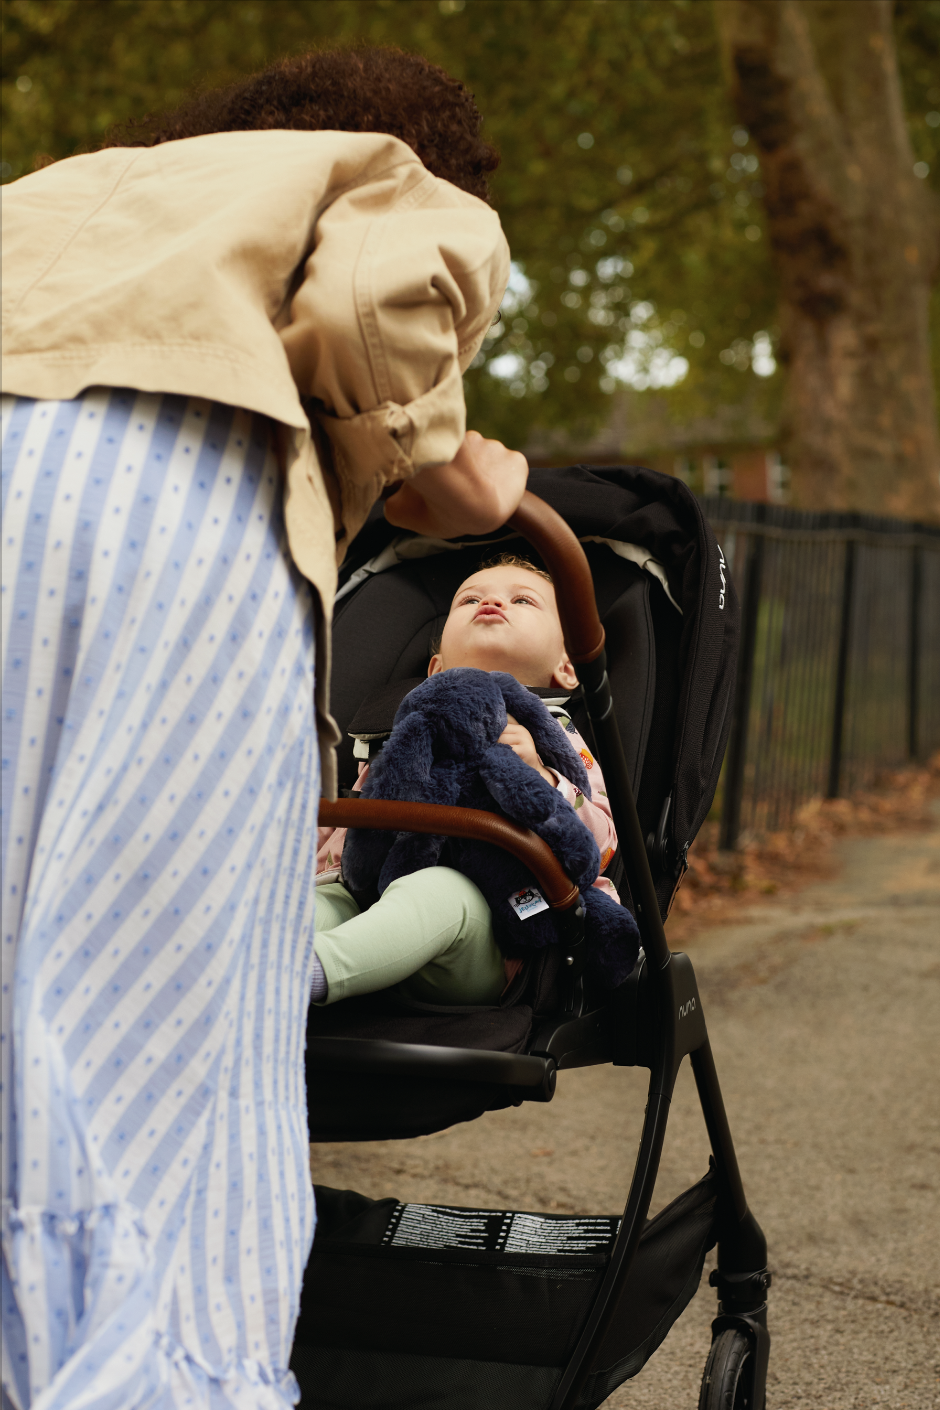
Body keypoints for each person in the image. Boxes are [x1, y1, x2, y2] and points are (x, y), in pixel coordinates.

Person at [0, 48, 528, 1410]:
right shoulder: (377, 180)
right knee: (149, 1008)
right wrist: (461, 475)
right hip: (156, 505)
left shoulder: (72, 187)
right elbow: (375, 316)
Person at [312, 556, 619, 1007]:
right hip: (363, 898)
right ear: (435, 669)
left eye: (522, 600)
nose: (492, 602)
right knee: (311, 904)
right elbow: (352, 819)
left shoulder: (557, 738)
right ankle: (249, 957)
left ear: (566, 667)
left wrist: (541, 773)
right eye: (470, 599)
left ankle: (305, 975)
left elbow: (603, 843)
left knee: (434, 891)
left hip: (488, 930)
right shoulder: (404, 727)